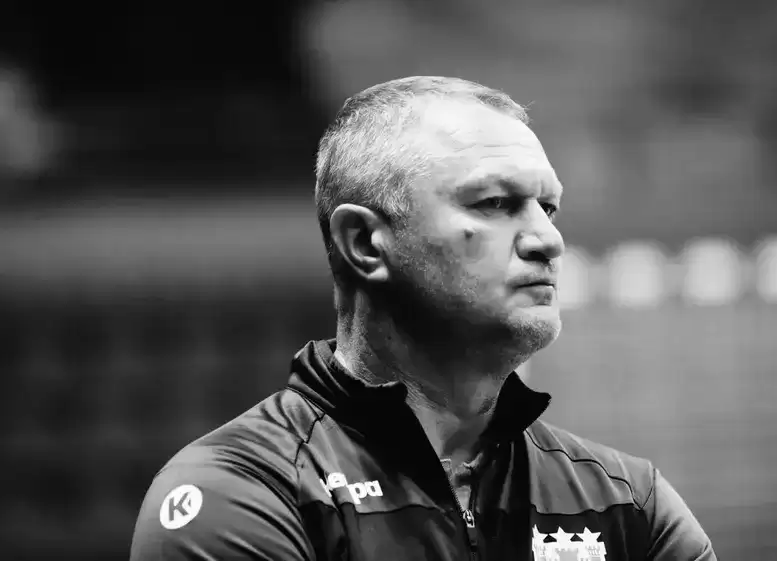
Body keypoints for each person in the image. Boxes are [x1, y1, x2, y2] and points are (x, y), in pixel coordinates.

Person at [130, 76, 717, 561]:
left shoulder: (626, 501)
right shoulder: (242, 491)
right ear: (365, 243)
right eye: (495, 203)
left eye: (548, 207)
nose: (548, 239)